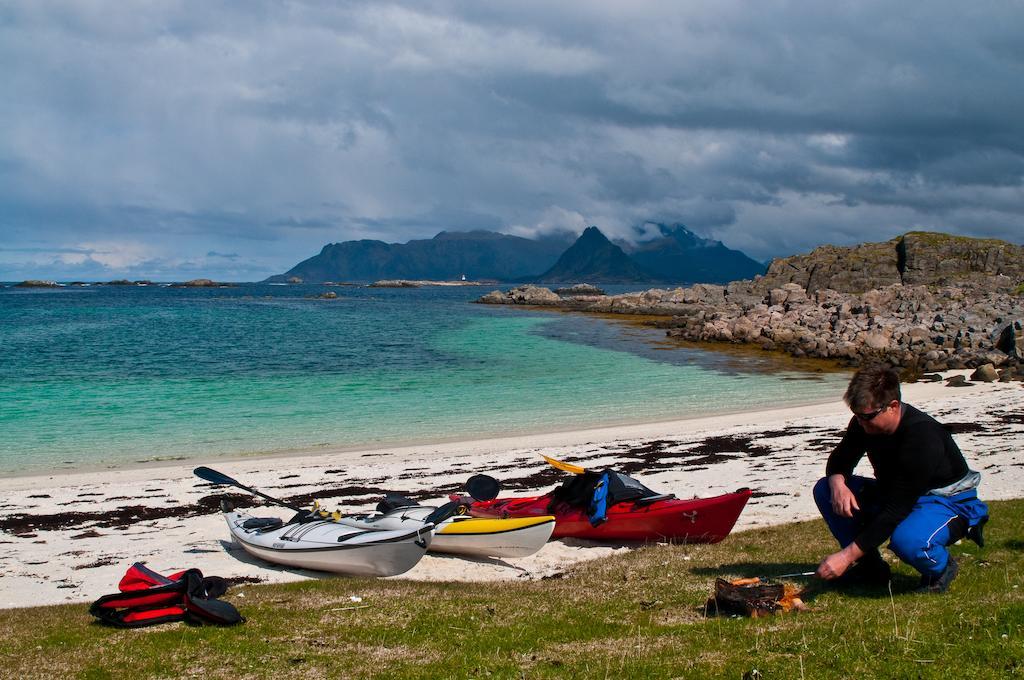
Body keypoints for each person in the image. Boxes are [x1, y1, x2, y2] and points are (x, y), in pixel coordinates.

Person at [813, 365, 988, 593]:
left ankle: (942, 567)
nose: (861, 422)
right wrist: (838, 486)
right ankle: (871, 568)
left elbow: (896, 510)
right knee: (825, 489)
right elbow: (840, 459)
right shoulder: (863, 424)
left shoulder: (922, 437)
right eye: (856, 416)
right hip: (897, 493)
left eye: (867, 417)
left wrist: (845, 557)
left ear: (893, 406)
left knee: (907, 540)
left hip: (945, 501)